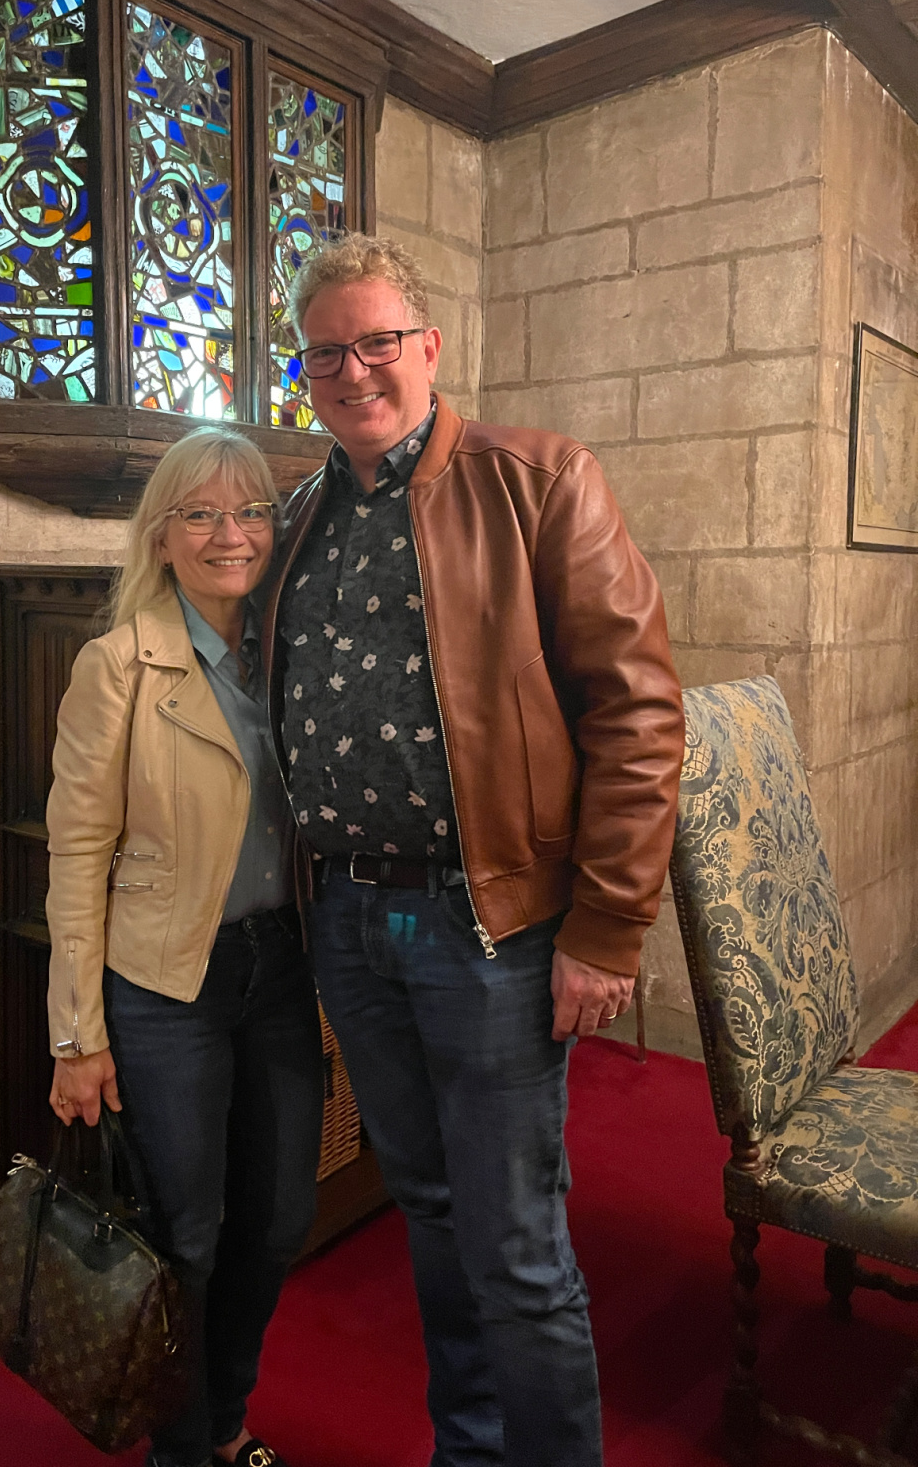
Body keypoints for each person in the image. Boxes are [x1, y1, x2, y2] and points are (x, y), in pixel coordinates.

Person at [264, 233, 685, 1467]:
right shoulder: (301, 517)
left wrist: (606, 926)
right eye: (326, 352)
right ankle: (474, 1449)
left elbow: (639, 709)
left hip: (487, 926)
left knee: (512, 1238)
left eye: (376, 342)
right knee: (432, 1213)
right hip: (349, 918)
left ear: (429, 347)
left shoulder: (536, 479)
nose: (353, 370)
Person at [45, 427, 323, 1467]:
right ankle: (189, 1443)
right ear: (162, 539)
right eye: (201, 513)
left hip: (278, 968)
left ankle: (225, 1412)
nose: (230, 533)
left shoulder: (293, 656)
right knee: (188, 1234)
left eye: (250, 510)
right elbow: (76, 853)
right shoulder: (117, 664)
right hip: (167, 984)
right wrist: (78, 1036)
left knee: (280, 1216)